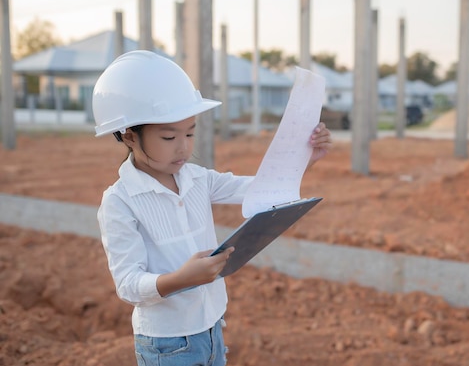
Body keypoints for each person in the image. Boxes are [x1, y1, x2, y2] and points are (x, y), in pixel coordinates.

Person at [92, 50, 332, 366]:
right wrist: (180, 278)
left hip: (212, 327)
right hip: (167, 344)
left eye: (190, 132)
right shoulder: (120, 202)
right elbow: (128, 285)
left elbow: (260, 189)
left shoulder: (197, 178)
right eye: (168, 136)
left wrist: (304, 158)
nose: (184, 147)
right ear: (129, 135)